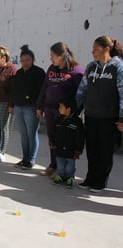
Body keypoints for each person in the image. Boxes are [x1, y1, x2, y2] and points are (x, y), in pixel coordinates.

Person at [76, 36, 123, 192]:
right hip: (91, 115)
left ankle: (100, 180)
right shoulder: (91, 67)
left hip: (109, 117)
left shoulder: (118, 67)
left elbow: (122, 93)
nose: (92, 52)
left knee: (105, 150)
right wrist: (75, 109)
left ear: (106, 49)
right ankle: (90, 177)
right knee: (92, 149)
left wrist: (122, 117)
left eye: (96, 49)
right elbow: (82, 90)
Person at [37, 42, 84, 176]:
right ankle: (53, 164)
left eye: (53, 56)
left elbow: (80, 95)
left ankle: (64, 171)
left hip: (64, 113)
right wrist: (40, 106)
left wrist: (74, 113)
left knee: (65, 141)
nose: (51, 59)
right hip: (49, 110)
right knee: (52, 139)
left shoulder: (76, 71)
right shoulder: (52, 68)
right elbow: (44, 87)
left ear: (62, 55)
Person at [10, 45, 46, 169]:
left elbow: (42, 91)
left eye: (28, 60)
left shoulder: (39, 72)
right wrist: (12, 105)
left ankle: (31, 159)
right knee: (23, 135)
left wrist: (40, 107)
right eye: (23, 60)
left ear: (33, 60)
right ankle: (25, 158)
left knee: (32, 134)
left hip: (31, 108)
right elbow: (14, 91)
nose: (25, 63)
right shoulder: (19, 73)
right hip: (19, 108)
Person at [52, 98, 85, 188]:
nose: (59, 109)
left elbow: (80, 137)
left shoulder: (77, 122)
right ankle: (61, 176)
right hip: (59, 148)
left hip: (71, 150)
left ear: (68, 109)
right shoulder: (58, 120)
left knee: (70, 166)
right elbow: (54, 132)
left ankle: (69, 178)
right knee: (60, 165)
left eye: (61, 107)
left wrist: (78, 149)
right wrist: (52, 142)